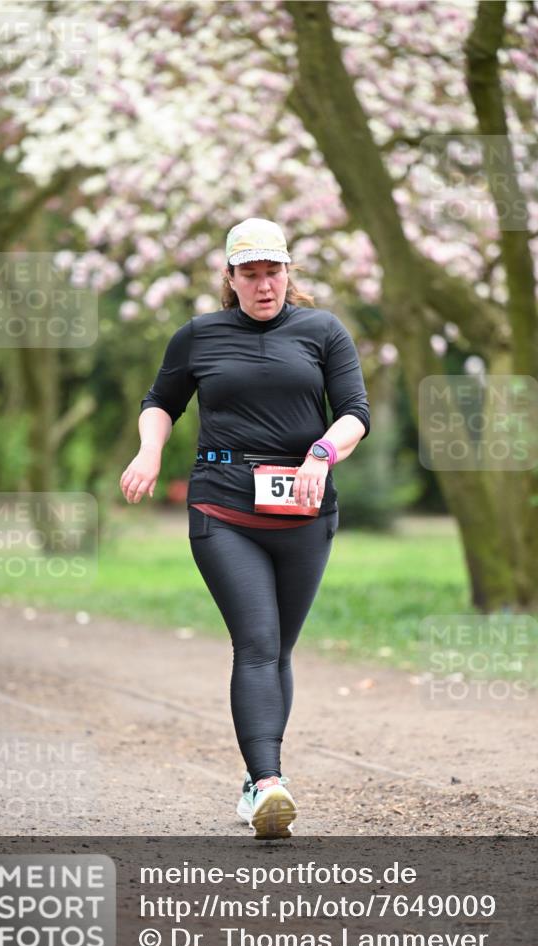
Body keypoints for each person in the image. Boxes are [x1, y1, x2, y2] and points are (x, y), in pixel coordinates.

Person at [120, 218, 370, 839]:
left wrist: (321, 455)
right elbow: (161, 401)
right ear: (230, 279)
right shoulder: (198, 336)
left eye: (274, 272)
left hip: (305, 512)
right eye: (251, 274)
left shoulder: (323, 331)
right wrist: (150, 451)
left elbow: (355, 414)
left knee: (279, 648)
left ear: (289, 271)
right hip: (224, 508)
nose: (265, 286)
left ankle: (256, 781)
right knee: (257, 643)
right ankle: (268, 782)